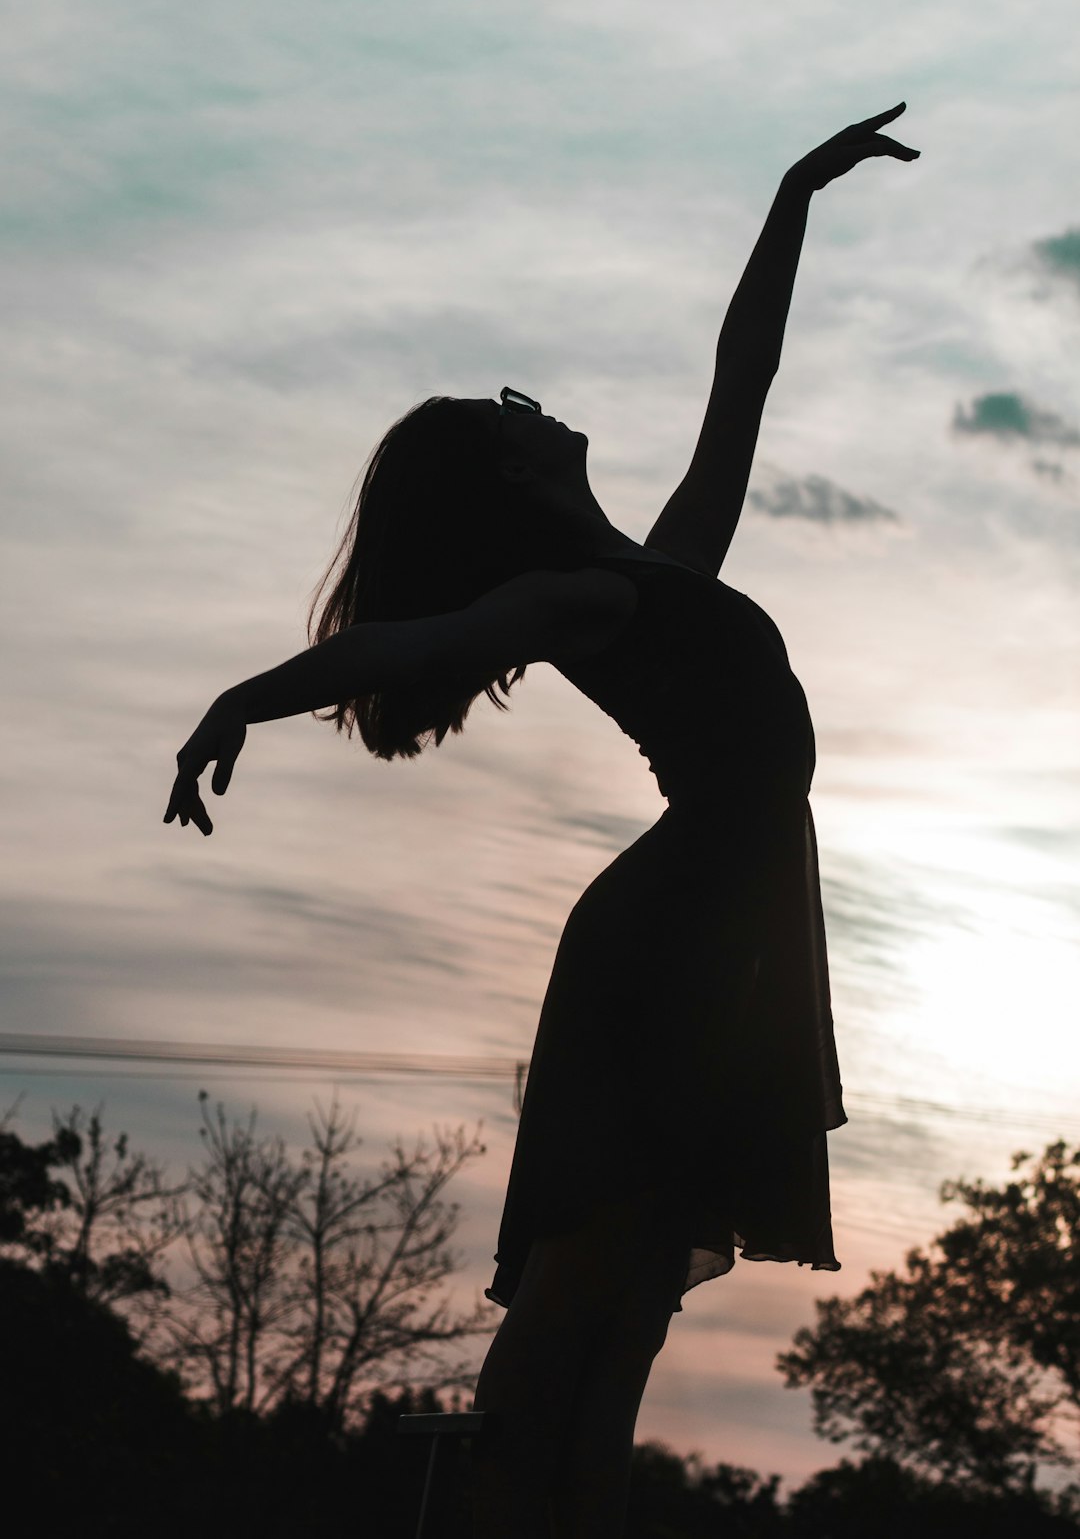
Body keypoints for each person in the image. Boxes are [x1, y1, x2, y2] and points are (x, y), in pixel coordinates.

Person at [164, 104, 919, 1537]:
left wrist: (793, 196)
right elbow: (396, 649)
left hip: (723, 908)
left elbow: (739, 383)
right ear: (518, 476)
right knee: (603, 1259)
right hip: (680, 924)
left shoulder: (659, 568)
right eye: (517, 416)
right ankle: (512, 1500)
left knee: (630, 1276)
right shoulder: (584, 602)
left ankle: (559, 1504)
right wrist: (239, 703)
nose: (542, 410)